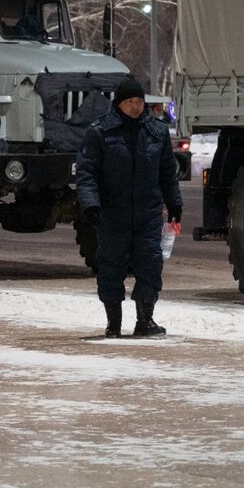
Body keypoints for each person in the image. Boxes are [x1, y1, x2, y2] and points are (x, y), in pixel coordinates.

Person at [76, 77, 183, 338]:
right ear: (119, 104)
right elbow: (87, 172)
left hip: (147, 214)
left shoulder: (156, 133)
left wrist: (175, 203)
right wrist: (90, 204)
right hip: (113, 214)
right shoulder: (100, 132)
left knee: (150, 263)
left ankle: (145, 321)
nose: (136, 106)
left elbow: (168, 173)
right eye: (130, 102)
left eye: (139, 101)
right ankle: (113, 324)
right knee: (111, 266)